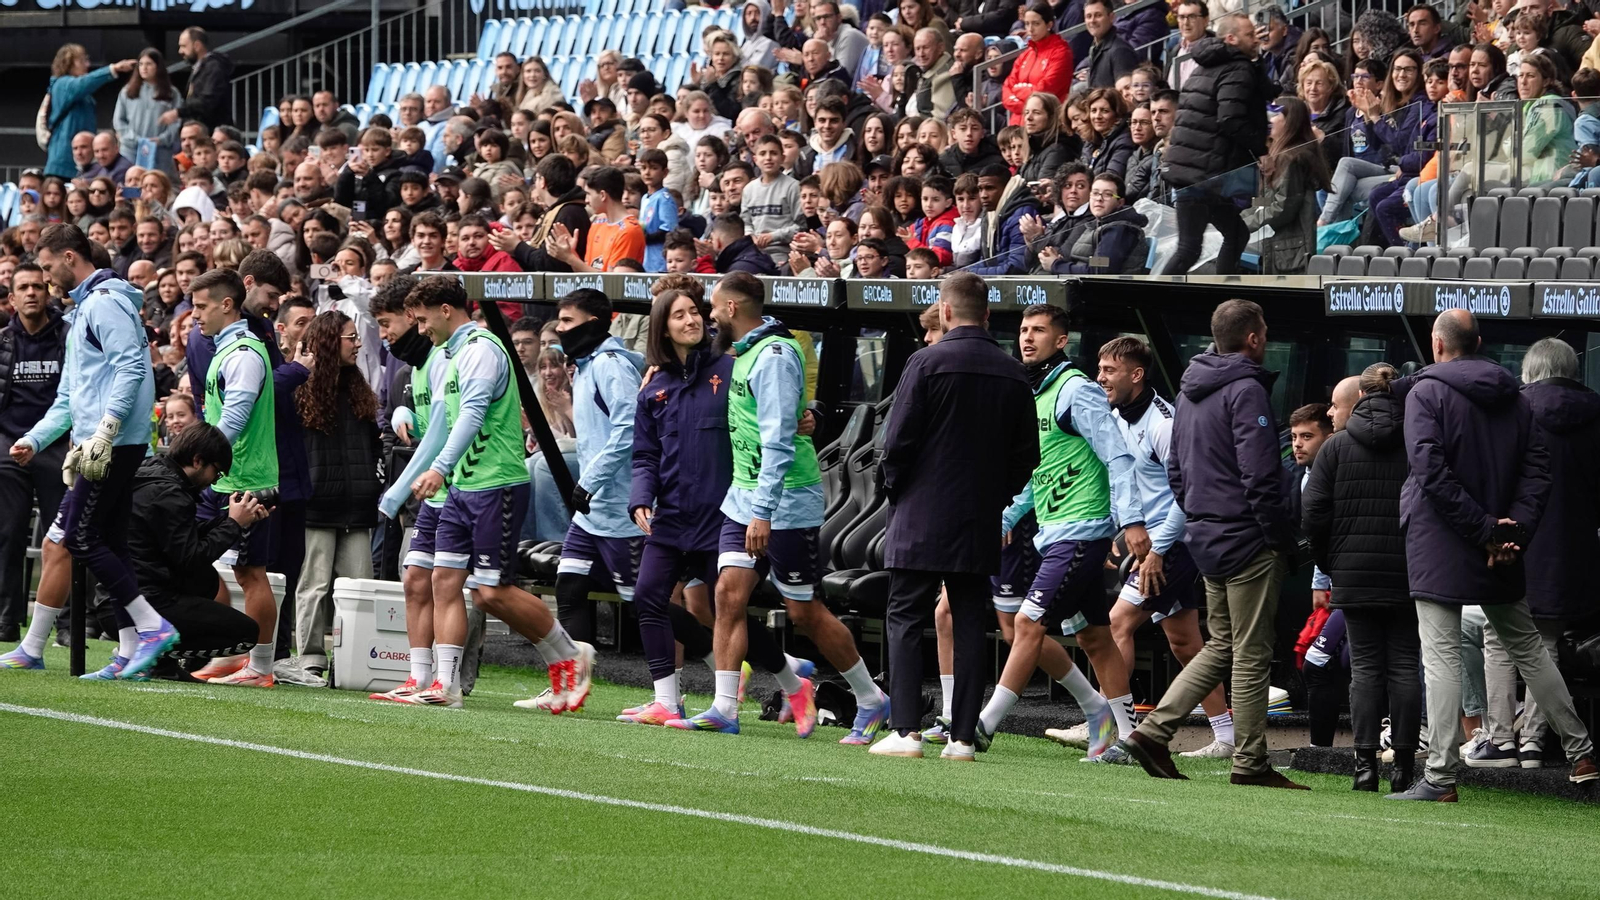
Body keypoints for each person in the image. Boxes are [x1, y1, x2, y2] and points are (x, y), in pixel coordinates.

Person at [668, 273, 891, 741]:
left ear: (731, 308)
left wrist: (763, 511)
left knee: (803, 611)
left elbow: (778, 442)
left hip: (784, 502)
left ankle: (871, 699)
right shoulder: (747, 350)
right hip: (743, 497)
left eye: (713, 307)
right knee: (727, 594)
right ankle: (724, 707)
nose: (708, 316)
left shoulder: (773, 356)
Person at [1389, 312, 1598, 800]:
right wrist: (1512, 534)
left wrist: (1484, 531)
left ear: (1436, 344)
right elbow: (1537, 472)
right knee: (1528, 647)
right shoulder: (1516, 398)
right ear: (1479, 343)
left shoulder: (1425, 392)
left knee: (1440, 656)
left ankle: (1440, 776)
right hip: (1501, 546)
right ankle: (1580, 750)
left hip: (1443, 541)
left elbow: (1430, 470)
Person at [1117, 299, 1304, 789]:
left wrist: (1201, 515)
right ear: (1255, 338)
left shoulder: (1189, 391)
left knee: (1222, 644)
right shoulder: (1246, 390)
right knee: (1251, 652)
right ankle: (1250, 761)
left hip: (1206, 536)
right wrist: (1280, 536)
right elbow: (1262, 476)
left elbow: (1176, 470)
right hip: (1246, 538)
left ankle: (1154, 731)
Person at [390, 276, 590, 710]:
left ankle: (571, 654)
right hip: (465, 486)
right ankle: (445, 685)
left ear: (447, 310)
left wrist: (438, 469)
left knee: (491, 591)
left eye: (423, 319)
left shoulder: (481, 348)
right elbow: (445, 418)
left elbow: (473, 415)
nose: (420, 329)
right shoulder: (452, 352)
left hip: (496, 483)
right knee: (444, 580)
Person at [624, 289, 817, 727]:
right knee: (647, 598)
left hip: (723, 514)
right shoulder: (652, 386)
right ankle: (667, 700)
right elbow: (644, 454)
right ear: (662, 327)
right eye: (680, 315)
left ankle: (790, 678)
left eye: (695, 311)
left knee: (728, 609)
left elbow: (783, 410)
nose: (692, 320)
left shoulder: (733, 368)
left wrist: (814, 415)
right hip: (671, 515)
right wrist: (640, 497)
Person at [868, 273, 1037, 760]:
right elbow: (1027, 455)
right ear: (987, 315)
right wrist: (996, 497)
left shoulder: (925, 361)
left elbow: (896, 444)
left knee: (904, 617)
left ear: (944, 312)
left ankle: (905, 732)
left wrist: (896, 491)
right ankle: (962, 737)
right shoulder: (1012, 372)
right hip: (978, 516)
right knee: (968, 622)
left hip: (921, 511)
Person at [1, 224, 173, 680]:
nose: (45, 275)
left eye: (47, 264)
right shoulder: (86, 310)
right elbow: (70, 395)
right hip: (105, 441)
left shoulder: (103, 304)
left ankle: (151, 626)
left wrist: (106, 429)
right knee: (109, 541)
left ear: (71, 258)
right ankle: (129, 651)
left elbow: (132, 367)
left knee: (75, 538)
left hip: (112, 444)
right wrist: (35, 439)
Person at [975, 303, 1146, 759]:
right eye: (1024, 330)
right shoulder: (1036, 393)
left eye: (1039, 331)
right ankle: (1127, 737)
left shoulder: (1076, 390)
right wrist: (1006, 518)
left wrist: (1130, 521)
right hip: (1054, 532)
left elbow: (1117, 457)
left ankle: (984, 724)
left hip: (1081, 531)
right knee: (1094, 637)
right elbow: (1038, 473)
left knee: (1027, 622)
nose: (1027, 338)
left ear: (1061, 340)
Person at [1092, 336, 1235, 760]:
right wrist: (1120, 533)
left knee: (1116, 624)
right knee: (1185, 641)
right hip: (1146, 540)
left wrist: (1157, 551)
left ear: (1136, 375)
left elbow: (1187, 495)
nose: (1101, 378)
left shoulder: (1164, 423)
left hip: (1173, 542)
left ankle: (1113, 727)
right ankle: (1226, 736)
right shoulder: (1116, 417)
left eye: (1109, 371)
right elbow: (1123, 482)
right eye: (1099, 370)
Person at [1302, 367, 1420, 792]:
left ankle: (1365, 766)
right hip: (1410, 571)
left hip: (1353, 572)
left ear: (1360, 396)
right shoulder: (1417, 441)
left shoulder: (1335, 449)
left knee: (1366, 669)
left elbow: (1313, 515)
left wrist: (1331, 562)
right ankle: (1404, 766)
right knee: (1406, 666)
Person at [90, 423, 266, 677]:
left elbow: (180, 538)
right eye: (216, 474)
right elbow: (192, 558)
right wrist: (233, 524)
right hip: (144, 606)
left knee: (205, 584)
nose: (213, 484)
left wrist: (233, 520)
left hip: (114, 605)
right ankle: (155, 657)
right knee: (245, 633)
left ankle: (151, 656)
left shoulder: (150, 474)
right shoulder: (170, 493)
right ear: (197, 461)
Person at [534, 289, 645, 664]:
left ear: (593, 323)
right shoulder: (584, 366)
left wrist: (590, 479)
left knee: (645, 605)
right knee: (569, 587)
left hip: (622, 507)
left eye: (567, 321)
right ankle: (572, 680)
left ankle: (723, 660)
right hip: (592, 509)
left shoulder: (611, 365)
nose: (560, 329)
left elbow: (629, 429)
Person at [185, 268, 282, 688]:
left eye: (202, 306)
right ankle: (229, 651)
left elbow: (236, 417)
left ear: (227, 305)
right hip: (225, 478)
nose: (194, 315)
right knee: (208, 567)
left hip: (245, 480)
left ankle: (260, 666)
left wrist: (200, 458)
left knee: (251, 573)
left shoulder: (243, 352)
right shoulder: (227, 348)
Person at [292, 311, 379, 678]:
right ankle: (310, 658)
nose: (358, 344)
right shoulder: (300, 390)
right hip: (317, 505)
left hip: (357, 505)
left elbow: (373, 444)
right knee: (314, 585)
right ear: (330, 342)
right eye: (350, 337)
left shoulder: (359, 387)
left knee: (361, 588)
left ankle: (358, 657)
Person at [1157, 14, 1273, 276]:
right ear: (1231, 39)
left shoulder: (1210, 64)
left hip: (1200, 172)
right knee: (1189, 248)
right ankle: (1150, 303)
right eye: (1248, 34)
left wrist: (1257, 60)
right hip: (1201, 174)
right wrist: (1260, 150)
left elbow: (1265, 91)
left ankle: (1222, 295)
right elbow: (1230, 119)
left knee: (1236, 234)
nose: (1255, 37)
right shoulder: (1237, 67)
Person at [0, 264, 68, 644]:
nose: (31, 293)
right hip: (9, 445)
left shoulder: (69, 336)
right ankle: (7, 622)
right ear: (11, 298)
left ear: (48, 293)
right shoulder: (3, 341)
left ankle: (68, 625)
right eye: (23, 287)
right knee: (8, 534)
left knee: (63, 538)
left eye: (38, 287)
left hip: (57, 447)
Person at [1242, 97, 1331, 275]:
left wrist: (1245, 224)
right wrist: (1243, 216)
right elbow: (1267, 200)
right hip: (1279, 247)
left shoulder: (1291, 159)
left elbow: (1282, 207)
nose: (1268, 119)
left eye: (1274, 114)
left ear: (1290, 121)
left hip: (1290, 251)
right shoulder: (1279, 154)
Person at [45, 46, 136, 180]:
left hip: (79, 164)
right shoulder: (62, 84)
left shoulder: (77, 92)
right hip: (63, 165)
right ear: (68, 63)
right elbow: (82, 84)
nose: (87, 65)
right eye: (82, 61)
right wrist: (113, 69)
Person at [545, 166, 646, 274]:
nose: (586, 200)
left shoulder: (629, 231)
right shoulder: (597, 223)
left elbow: (615, 282)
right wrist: (571, 253)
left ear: (602, 195)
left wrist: (570, 258)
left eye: (588, 194)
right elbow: (586, 273)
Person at [742, 134, 804, 267]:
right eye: (763, 153)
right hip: (754, 254)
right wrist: (751, 237)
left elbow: (800, 227)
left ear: (782, 157)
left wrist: (773, 236)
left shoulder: (793, 187)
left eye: (773, 153)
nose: (768, 158)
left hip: (784, 253)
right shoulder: (748, 190)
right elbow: (746, 223)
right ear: (755, 159)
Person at [165, 28, 234, 129]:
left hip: (212, 133)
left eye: (183, 46)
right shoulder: (200, 68)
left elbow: (207, 101)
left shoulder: (214, 67)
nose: (180, 51)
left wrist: (179, 112)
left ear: (197, 46)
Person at [1076, 0, 1139, 90]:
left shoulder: (1120, 51)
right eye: (1088, 16)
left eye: (1098, 15)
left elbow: (1126, 95)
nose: (1092, 21)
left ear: (1111, 17)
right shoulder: (1095, 48)